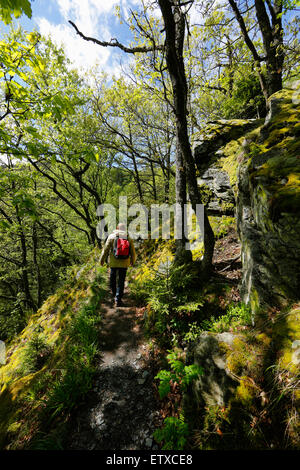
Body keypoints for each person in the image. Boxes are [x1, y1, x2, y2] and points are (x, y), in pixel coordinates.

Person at [100, 223, 136, 307]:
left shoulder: (111, 237)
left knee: (112, 279)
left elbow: (105, 250)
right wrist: (133, 261)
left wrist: (102, 260)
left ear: (116, 228)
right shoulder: (128, 238)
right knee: (121, 281)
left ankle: (114, 294)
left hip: (113, 262)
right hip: (124, 263)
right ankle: (118, 298)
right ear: (124, 229)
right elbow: (133, 252)